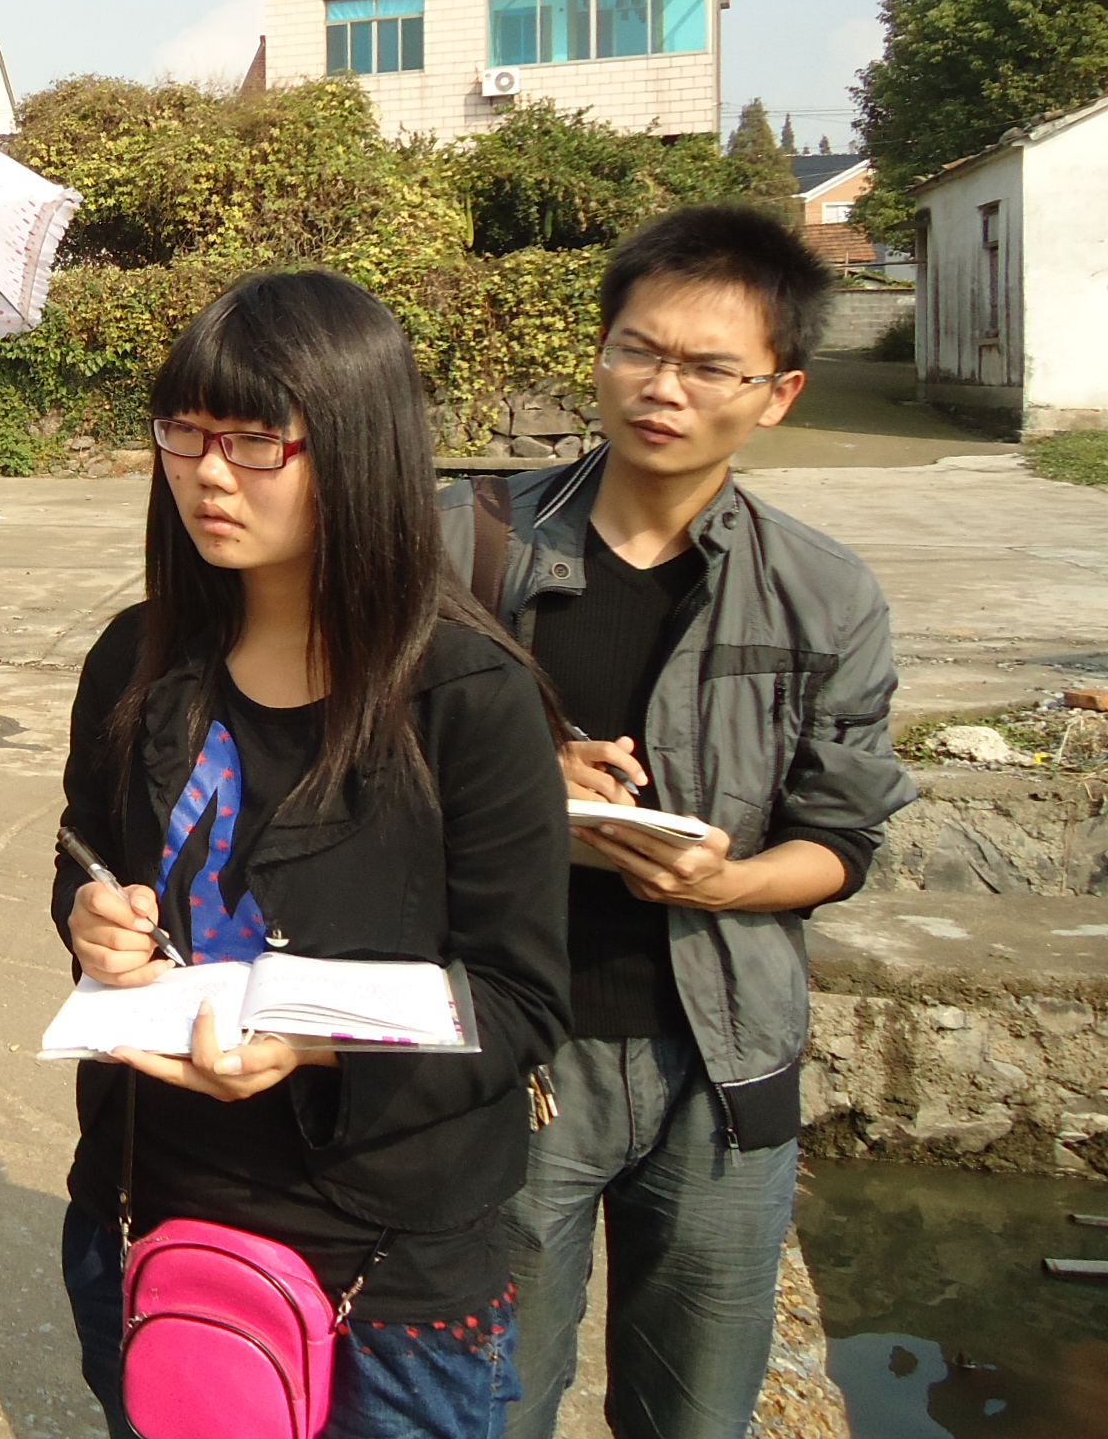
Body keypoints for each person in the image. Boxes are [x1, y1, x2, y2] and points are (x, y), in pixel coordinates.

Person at [57, 268, 572, 1439]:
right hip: (154, 1215)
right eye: (183, 431)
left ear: (353, 445)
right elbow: (82, 856)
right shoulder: (137, 660)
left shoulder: (466, 694)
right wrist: (93, 925)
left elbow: (522, 998)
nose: (208, 472)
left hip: (382, 1273)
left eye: (253, 440)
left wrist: (315, 1045)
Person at [434, 205, 916, 1439]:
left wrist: (724, 884)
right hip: (508, 1057)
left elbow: (841, 839)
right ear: (599, 352)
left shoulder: (823, 593)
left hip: (722, 1067)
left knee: (695, 1413)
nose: (663, 389)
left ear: (779, 393)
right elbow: (354, 753)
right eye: (639, 351)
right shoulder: (463, 545)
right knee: (488, 1406)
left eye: (709, 367)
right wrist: (526, 775)